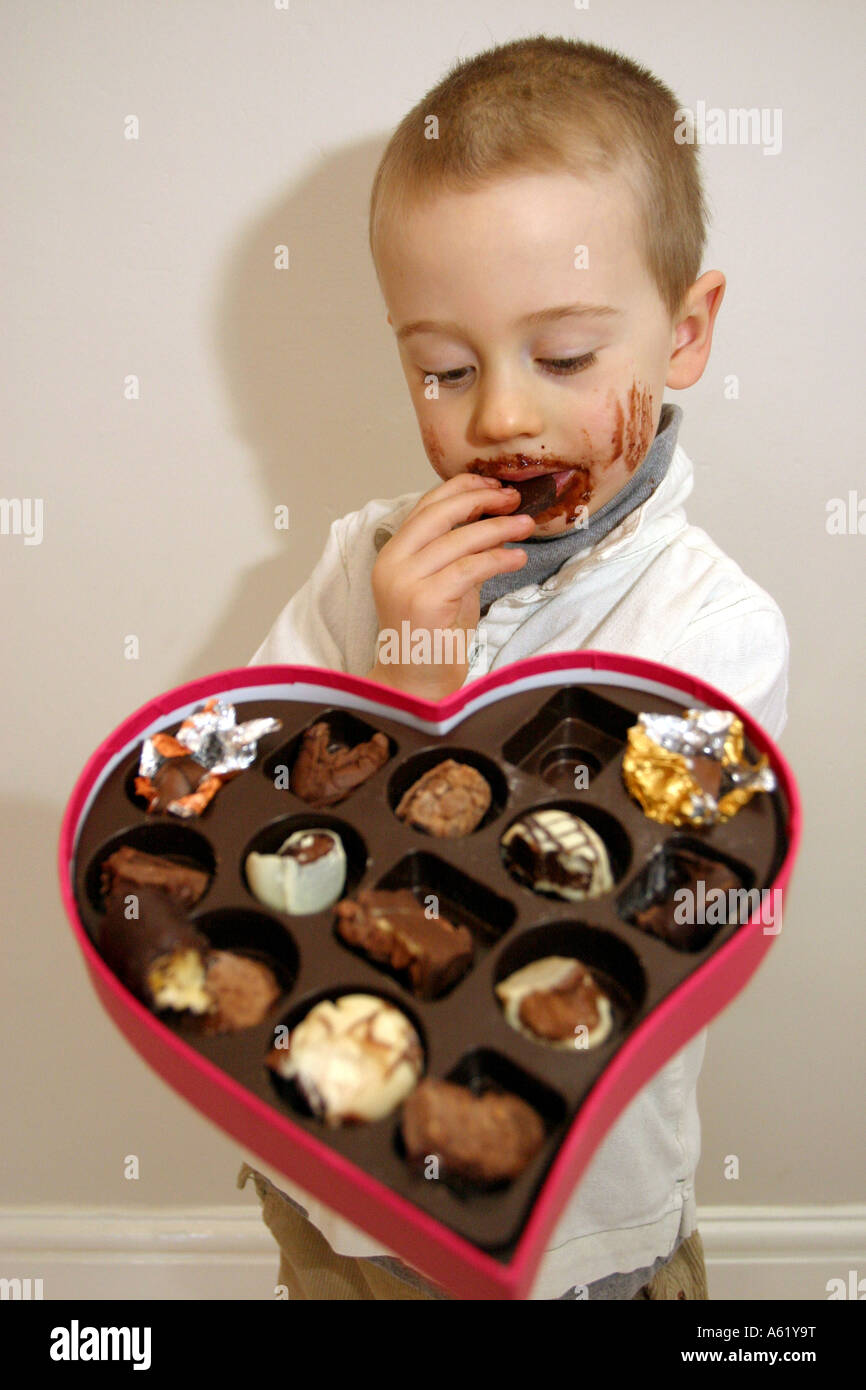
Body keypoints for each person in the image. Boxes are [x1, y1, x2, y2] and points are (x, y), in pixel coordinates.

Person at [237, 34, 788, 1300]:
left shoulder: (707, 627)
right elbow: (249, 834)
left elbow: (608, 940)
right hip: (337, 1191)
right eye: (442, 367)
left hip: (565, 1233)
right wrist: (396, 662)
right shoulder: (354, 568)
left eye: (563, 357)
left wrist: (435, 707)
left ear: (684, 331)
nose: (495, 417)